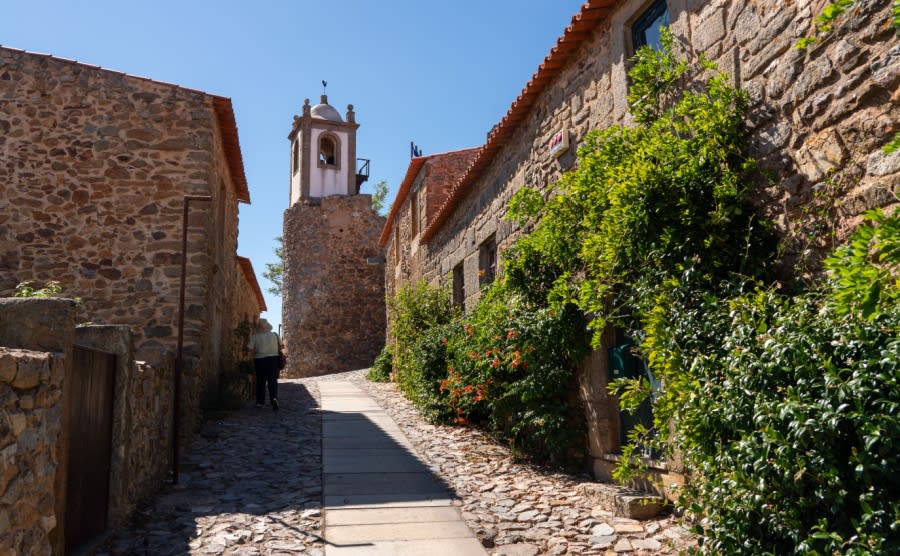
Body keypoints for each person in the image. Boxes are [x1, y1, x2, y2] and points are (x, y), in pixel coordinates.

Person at [246, 318, 282, 410]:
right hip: (273, 359)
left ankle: (260, 402)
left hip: (260, 360)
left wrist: (257, 350)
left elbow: (249, 348)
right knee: (272, 381)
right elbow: (281, 346)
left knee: (260, 381)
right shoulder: (275, 335)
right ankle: (273, 398)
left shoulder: (255, 337)